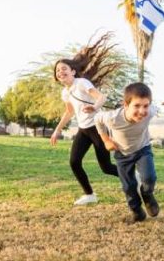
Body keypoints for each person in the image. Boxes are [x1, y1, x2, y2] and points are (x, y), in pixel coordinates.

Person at [50, 33, 120, 205]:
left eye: (64, 69)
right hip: (83, 129)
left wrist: (95, 107)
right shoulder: (65, 92)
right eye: (58, 70)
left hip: (97, 127)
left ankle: (133, 175)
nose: (61, 72)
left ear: (73, 71)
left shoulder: (82, 83)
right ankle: (89, 194)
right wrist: (57, 130)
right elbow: (69, 112)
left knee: (106, 168)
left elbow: (101, 97)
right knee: (74, 162)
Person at [95, 82, 159, 223]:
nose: (142, 111)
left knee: (149, 178)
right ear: (126, 104)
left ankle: (147, 194)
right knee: (128, 186)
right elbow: (97, 119)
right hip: (122, 153)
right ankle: (137, 212)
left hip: (143, 149)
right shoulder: (113, 118)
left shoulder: (151, 111)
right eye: (136, 106)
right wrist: (106, 140)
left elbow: (153, 109)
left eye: (145, 106)